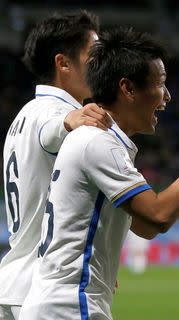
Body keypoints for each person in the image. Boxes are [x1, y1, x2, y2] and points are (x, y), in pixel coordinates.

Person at [19, 27, 179, 320]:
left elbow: (145, 228)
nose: (168, 96)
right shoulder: (97, 142)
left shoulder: (96, 140)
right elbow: (158, 216)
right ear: (128, 88)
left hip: (63, 304)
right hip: (70, 307)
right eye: (161, 83)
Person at [0, 11, 111, 320]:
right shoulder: (52, 112)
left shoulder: (22, 116)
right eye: (94, 55)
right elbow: (52, 129)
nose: (101, 64)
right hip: (43, 292)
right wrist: (71, 120)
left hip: (14, 284)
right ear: (63, 63)